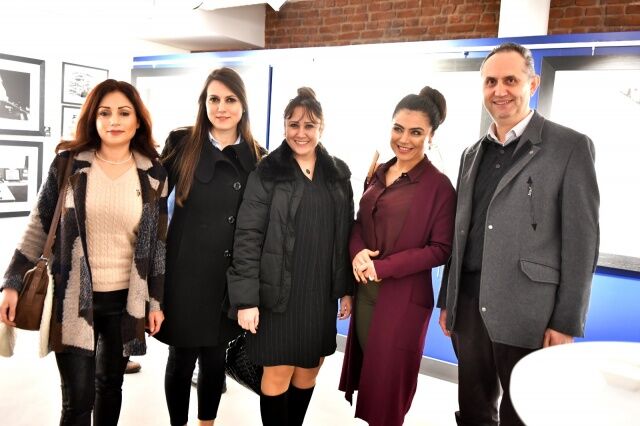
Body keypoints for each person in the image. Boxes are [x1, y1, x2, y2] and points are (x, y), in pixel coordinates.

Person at [437, 42, 600, 426]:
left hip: (529, 310)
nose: (500, 90)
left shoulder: (569, 147)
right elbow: (461, 233)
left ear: (533, 84)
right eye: (491, 81)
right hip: (470, 306)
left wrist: (566, 321)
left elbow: (582, 242)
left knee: (523, 413)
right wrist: (448, 300)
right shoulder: (471, 153)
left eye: (510, 80)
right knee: (474, 410)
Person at [0, 79, 167, 426]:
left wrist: (155, 302)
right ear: (93, 118)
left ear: (138, 121)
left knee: (110, 386)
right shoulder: (69, 164)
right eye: (104, 113)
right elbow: (38, 226)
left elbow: (157, 245)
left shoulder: (153, 173)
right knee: (77, 401)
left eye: (124, 113)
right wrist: (12, 282)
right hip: (73, 298)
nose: (114, 121)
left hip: (126, 301)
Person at [227, 87, 354, 426]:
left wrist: (345, 289)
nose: (301, 133)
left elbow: (345, 236)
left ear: (322, 127)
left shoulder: (338, 175)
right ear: (284, 126)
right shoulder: (268, 172)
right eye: (293, 124)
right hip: (276, 294)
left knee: (309, 370)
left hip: (319, 294)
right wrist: (246, 300)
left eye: (309, 125)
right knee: (278, 372)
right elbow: (247, 236)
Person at [338, 87, 456, 426]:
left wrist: (382, 267)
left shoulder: (439, 186)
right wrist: (358, 253)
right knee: (370, 377)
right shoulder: (378, 171)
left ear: (431, 136)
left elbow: (441, 249)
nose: (404, 139)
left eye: (416, 132)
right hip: (366, 293)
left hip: (403, 300)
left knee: (389, 389)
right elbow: (359, 222)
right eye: (398, 128)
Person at [155, 67, 264, 426]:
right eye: (213, 99)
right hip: (184, 273)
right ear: (203, 103)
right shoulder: (182, 143)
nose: (221, 107)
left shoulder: (257, 156)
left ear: (243, 105)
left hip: (227, 277)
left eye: (230, 99)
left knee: (215, 359)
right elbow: (149, 196)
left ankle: (207, 424)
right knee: (181, 358)